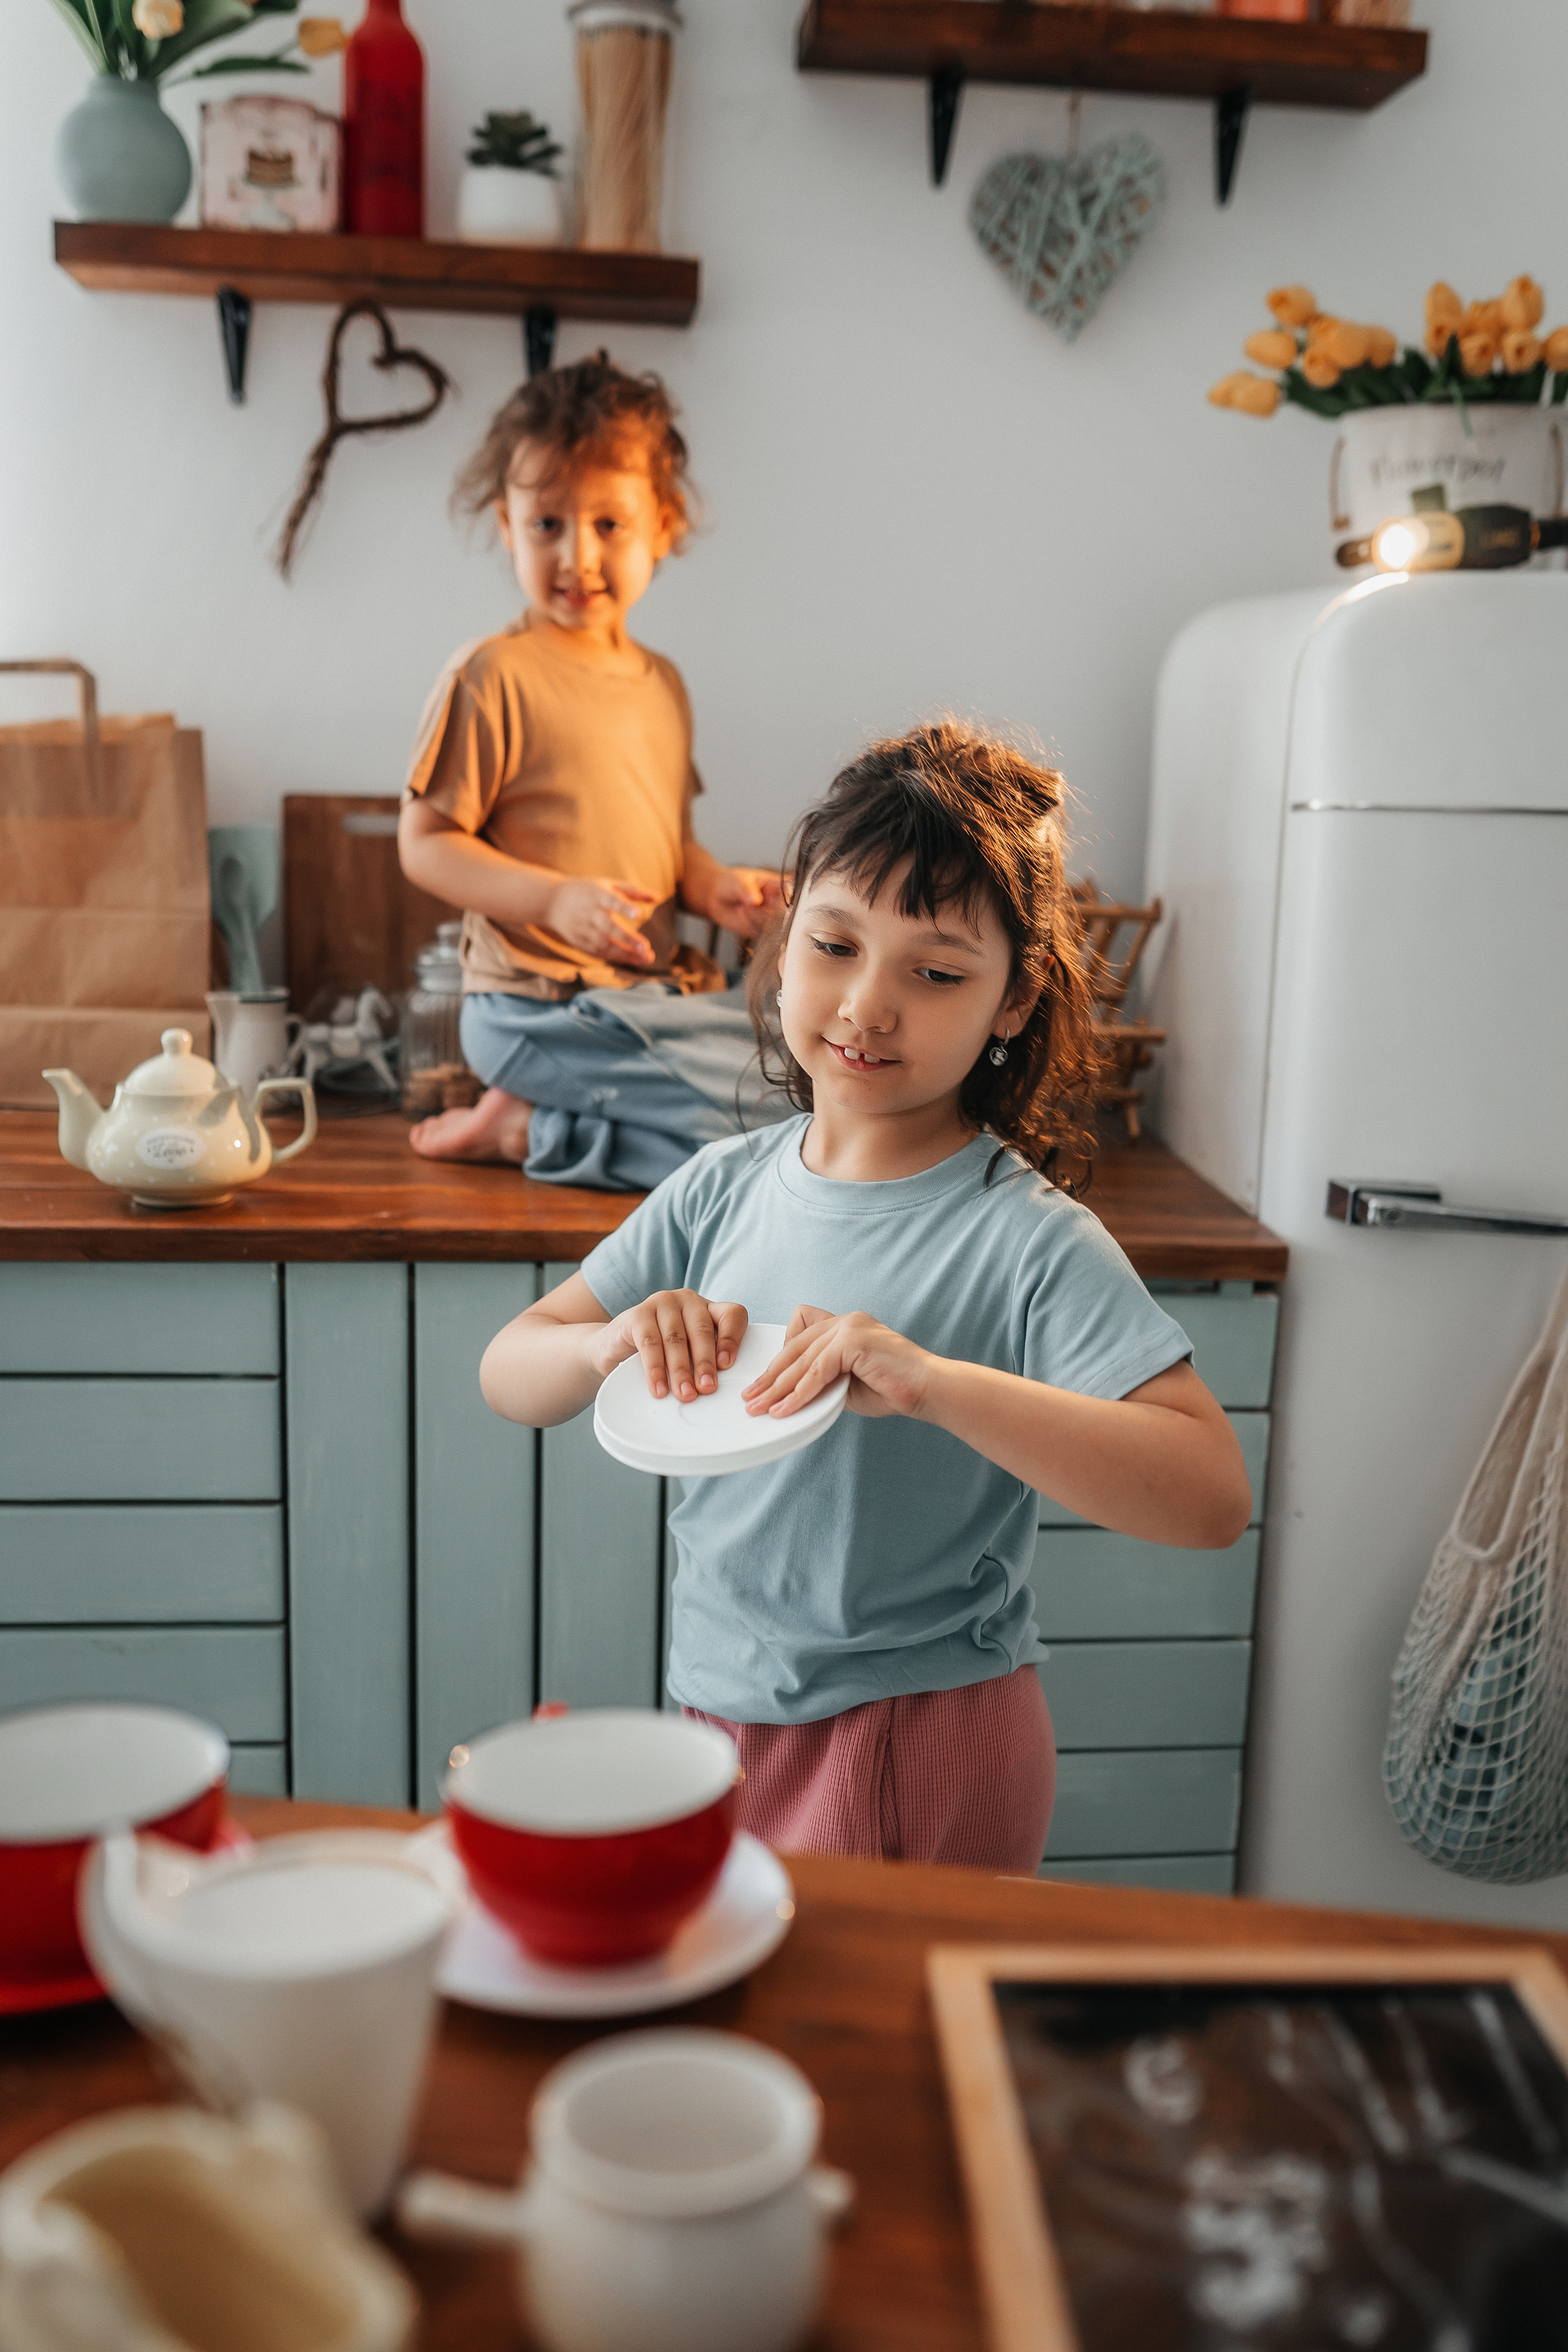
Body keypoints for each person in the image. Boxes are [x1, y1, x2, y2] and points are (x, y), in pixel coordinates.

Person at [478, 723, 1253, 1871]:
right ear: (787, 940)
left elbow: (1208, 1497)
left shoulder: (1025, 1236)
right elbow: (512, 1370)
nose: (868, 1005)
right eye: (836, 945)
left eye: (935, 973)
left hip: (922, 1735)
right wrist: (606, 1347)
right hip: (718, 1713)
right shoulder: (718, 1188)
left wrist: (936, 1387)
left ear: (1013, 1000)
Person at [398, 353, 785, 1191]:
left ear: (665, 526)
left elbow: (668, 844)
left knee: (803, 1079)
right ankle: (535, 1129)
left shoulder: (662, 684)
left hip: (646, 1001)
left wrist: (716, 888)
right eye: (547, 525)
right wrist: (551, 899)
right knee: (760, 1139)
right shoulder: (492, 675)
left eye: (609, 525)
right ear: (506, 525)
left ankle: (536, 1116)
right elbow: (424, 844)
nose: (577, 556)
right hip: (533, 1010)